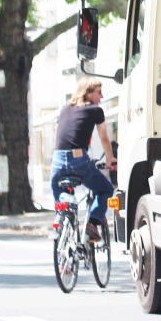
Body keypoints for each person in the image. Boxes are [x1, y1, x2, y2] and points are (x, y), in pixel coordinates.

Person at [50, 77, 116, 241]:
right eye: (98, 92)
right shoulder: (95, 110)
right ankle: (92, 223)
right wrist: (111, 159)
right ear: (88, 93)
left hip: (57, 160)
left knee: (60, 196)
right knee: (106, 189)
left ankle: (60, 222)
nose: (101, 96)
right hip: (78, 160)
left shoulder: (65, 109)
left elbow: (56, 136)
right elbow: (104, 138)